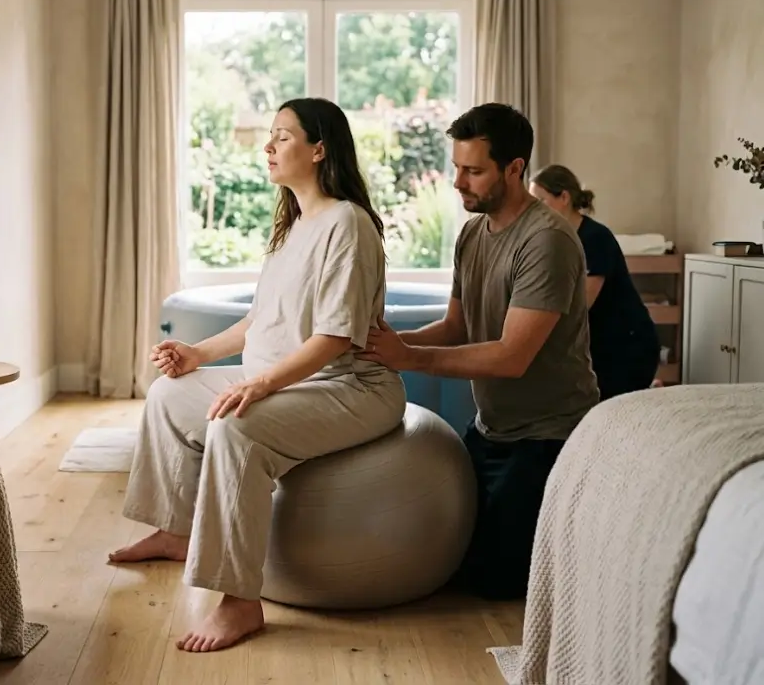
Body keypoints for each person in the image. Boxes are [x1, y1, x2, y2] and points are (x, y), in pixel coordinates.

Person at [108, 97, 407, 652]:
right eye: (270, 136)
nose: (268, 146)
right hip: (282, 380)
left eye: (283, 137)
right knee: (168, 396)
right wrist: (196, 355)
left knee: (235, 426)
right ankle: (176, 531)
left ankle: (240, 601)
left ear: (319, 150)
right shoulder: (294, 226)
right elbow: (258, 320)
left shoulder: (348, 223)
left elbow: (336, 338)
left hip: (347, 388)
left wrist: (261, 385)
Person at [359, 102, 600, 602]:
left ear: (514, 169)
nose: (458, 182)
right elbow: (457, 325)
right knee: (442, 553)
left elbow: (512, 357)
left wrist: (410, 359)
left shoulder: (547, 241)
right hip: (490, 428)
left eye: (473, 170)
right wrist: (389, 345)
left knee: (491, 584)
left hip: (548, 437)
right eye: (456, 168)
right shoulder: (471, 234)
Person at [528, 165, 661, 400]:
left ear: (564, 198)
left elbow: (581, 305)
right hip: (595, 348)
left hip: (627, 348)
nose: (535, 210)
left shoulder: (596, 239)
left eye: (541, 201)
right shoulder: (555, 239)